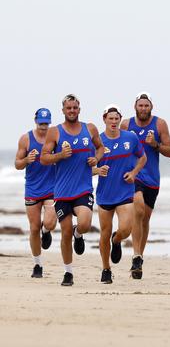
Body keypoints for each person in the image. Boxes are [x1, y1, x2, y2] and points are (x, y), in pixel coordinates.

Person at [41, 94, 105, 286]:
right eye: (68, 108)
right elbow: (44, 158)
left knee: (85, 223)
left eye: (75, 108)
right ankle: (68, 272)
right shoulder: (55, 132)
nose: (72, 111)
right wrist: (60, 155)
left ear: (79, 109)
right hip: (61, 192)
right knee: (65, 231)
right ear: (63, 110)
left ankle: (80, 233)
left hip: (83, 189)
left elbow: (100, 148)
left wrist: (97, 159)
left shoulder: (90, 128)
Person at [121, 92, 170, 279]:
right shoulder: (126, 125)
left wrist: (156, 144)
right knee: (138, 209)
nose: (143, 108)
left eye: (146, 106)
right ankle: (136, 255)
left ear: (151, 107)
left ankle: (139, 259)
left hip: (152, 178)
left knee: (144, 219)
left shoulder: (159, 124)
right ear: (134, 106)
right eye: (140, 105)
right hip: (132, 176)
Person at [95, 105, 147, 284]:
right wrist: (97, 170)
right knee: (104, 232)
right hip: (104, 194)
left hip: (125, 192)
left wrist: (134, 173)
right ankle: (106, 269)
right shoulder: (98, 141)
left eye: (117, 118)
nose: (114, 122)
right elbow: (87, 167)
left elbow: (143, 157)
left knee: (125, 229)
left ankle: (116, 241)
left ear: (120, 120)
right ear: (104, 120)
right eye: (110, 118)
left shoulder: (130, 138)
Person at [14, 108, 57, 278]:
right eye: (41, 123)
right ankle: (37, 264)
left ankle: (46, 232)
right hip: (32, 188)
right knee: (33, 228)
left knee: (50, 222)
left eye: (46, 123)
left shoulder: (55, 137)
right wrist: (27, 160)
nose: (44, 127)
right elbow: (17, 164)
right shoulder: (26, 139)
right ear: (36, 121)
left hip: (52, 188)